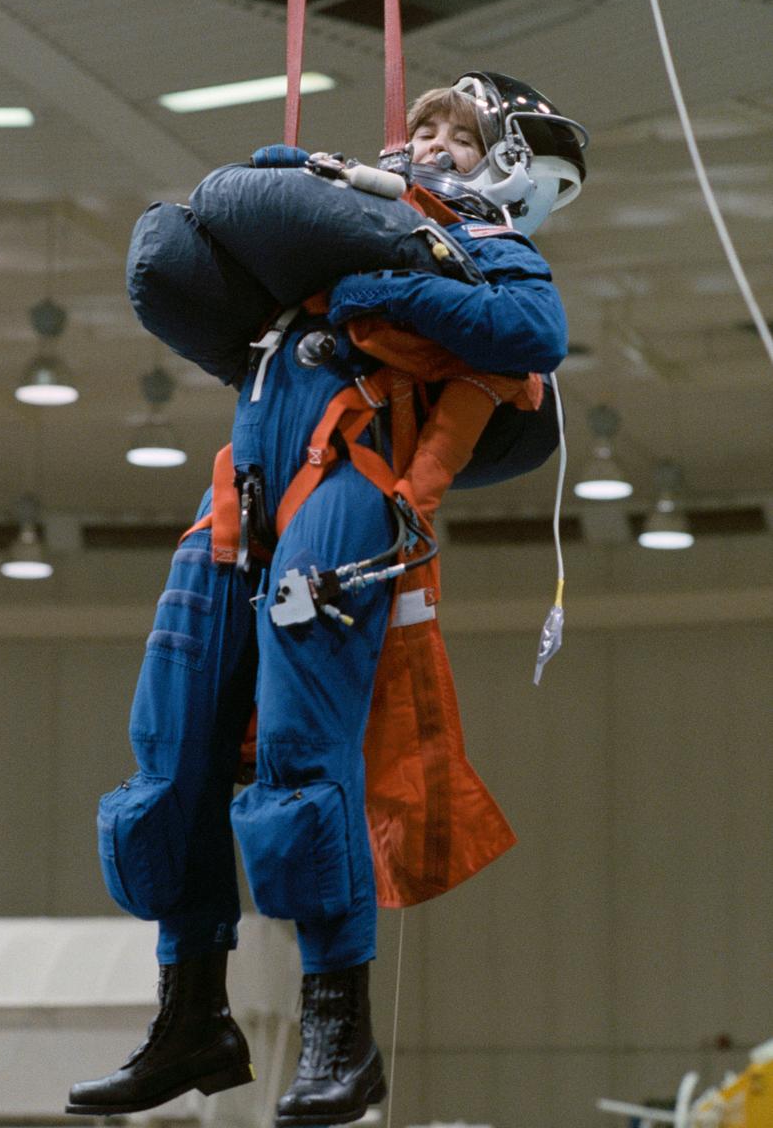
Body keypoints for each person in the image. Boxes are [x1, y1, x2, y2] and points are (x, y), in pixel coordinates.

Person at [66, 71, 586, 1126]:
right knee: (170, 749)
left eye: (456, 130)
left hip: (348, 485)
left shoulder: (476, 245)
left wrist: (382, 291)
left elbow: (535, 331)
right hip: (243, 493)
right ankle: (192, 1012)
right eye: (423, 123)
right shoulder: (340, 226)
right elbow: (206, 239)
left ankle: (338, 1029)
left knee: (303, 759)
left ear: (507, 162)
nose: (429, 140)